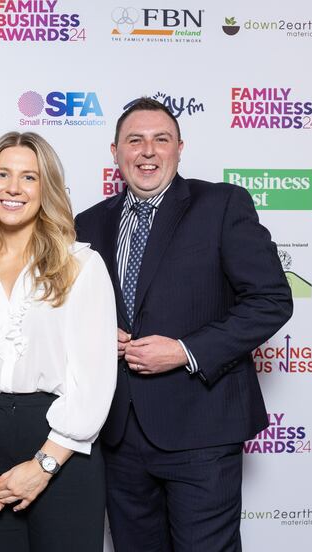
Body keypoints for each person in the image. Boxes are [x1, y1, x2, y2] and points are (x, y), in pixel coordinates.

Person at [75, 97, 293, 552]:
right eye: (135, 140)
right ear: (115, 152)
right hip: (119, 434)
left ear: (180, 148)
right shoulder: (88, 224)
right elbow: (70, 313)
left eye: (161, 140)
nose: (148, 151)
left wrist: (184, 351)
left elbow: (271, 300)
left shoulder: (221, 204)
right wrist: (94, 335)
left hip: (202, 431)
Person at [0, 132, 117, 552]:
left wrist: (44, 464)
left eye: (29, 177)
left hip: (62, 448)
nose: (13, 188)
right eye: (2, 174)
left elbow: (93, 382)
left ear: (46, 188)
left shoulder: (81, 265)